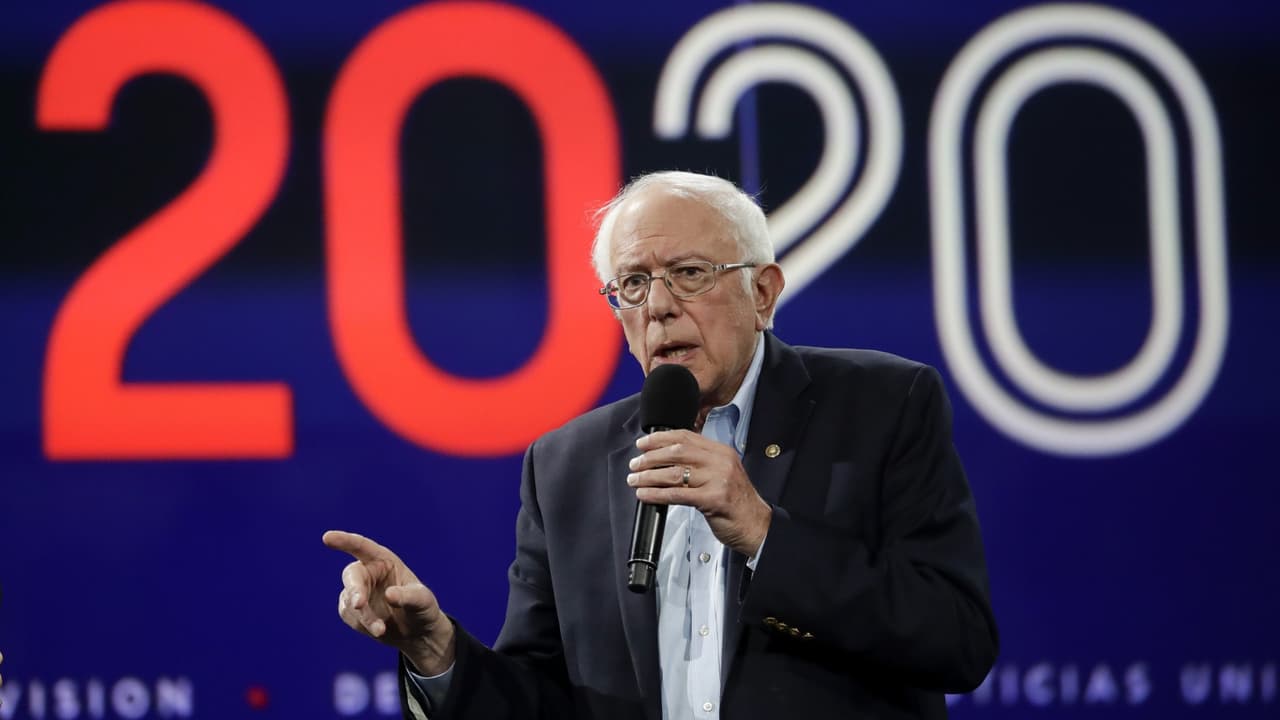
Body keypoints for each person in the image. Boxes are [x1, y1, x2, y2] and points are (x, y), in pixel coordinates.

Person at [325, 170, 998, 719]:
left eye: (690, 273)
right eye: (633, 284)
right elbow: (542, 701)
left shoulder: (882, 406)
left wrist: (762, 533)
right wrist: (437, 651)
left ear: (763, 293)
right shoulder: (566, 465)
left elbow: (956, 640)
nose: (658, 306)